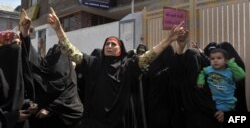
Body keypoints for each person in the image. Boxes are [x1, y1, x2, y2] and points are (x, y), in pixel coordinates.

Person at [47, 7, 186, 128]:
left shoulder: (127, 67)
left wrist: (168, 40)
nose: (109, 46)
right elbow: (72, 51)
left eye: (114, 44)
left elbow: (149, 56)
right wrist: (59, 29)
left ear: (121, 50)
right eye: (107, 44)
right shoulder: (94, 63)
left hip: (119, 123)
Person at [19, 9, 83, 128]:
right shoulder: (44, 71)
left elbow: (70, 100)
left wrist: (49, 108)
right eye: (51, 54)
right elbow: (33, 62)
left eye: (60, 55)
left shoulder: (70, 80)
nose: (55, 57)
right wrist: (25, 32)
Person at [0, 29, 38, 128]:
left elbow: (15, 99)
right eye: (12, 50)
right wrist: (10, 117)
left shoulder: (17, 72)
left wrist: (28, 104)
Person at [197, 49, 245, 118]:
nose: (215, 60)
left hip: (227, 100)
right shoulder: (209, 69)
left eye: (219, 58)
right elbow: (202, 73)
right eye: (212, 59)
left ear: (226, 61)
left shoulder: (229, 71)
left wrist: (231, 64)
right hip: (214, 100)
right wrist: (200, 81)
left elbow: (241, 75)